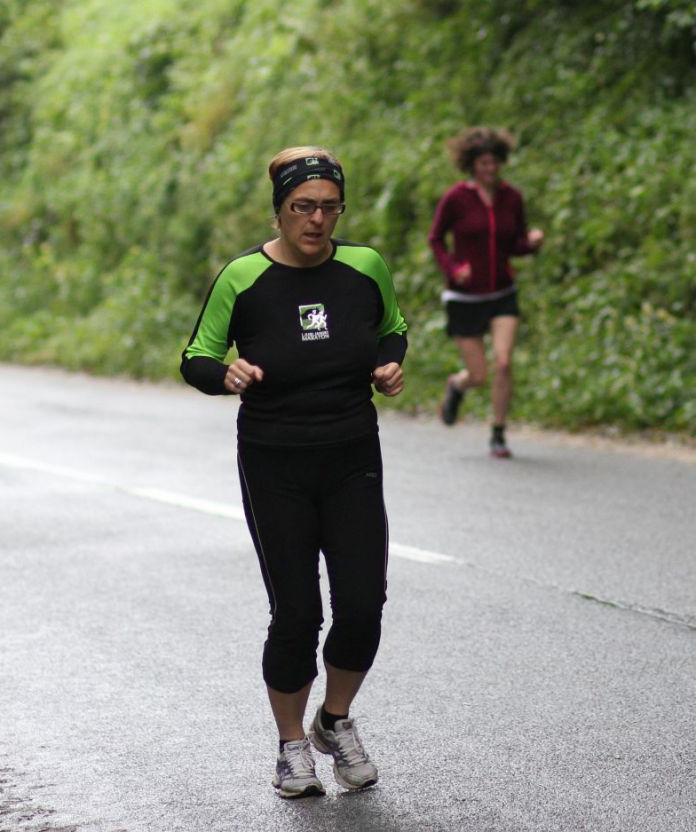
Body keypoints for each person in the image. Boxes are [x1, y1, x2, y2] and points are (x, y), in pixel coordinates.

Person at [180, 146, 407, 798]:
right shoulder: (243, 278)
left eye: (329, 208)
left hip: (352, 455)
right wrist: (224, 374)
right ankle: (290, 747)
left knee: (363, 605)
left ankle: (333, 722)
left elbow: (392, 328)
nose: (317, 220)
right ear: (279, 210)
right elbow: (196, 355)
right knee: (298, 613)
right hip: (275, 460)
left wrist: (389, 365)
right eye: (303, 207)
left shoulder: (364, 267)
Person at [428, 127, 544, 458]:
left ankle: (498, 433)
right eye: (482, 163)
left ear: (501, 162)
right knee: (478, 375)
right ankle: (457, 385)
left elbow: (515, 244)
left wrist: (532, 244)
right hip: (465, 297)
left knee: (504, 362)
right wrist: (453, 270)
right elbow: (435, 239)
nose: (489, 169)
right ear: (471, 164)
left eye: (494, 162)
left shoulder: (512, 198)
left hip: (502, 292)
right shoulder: (456, 199)